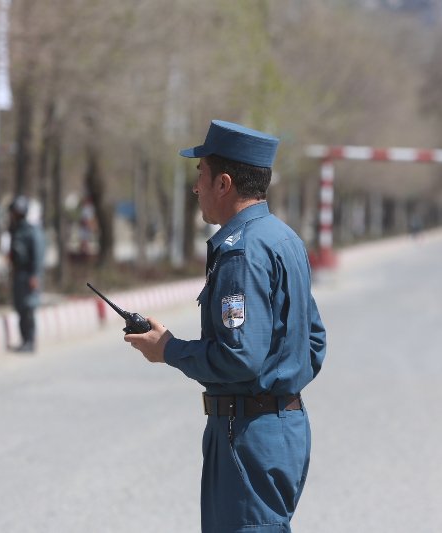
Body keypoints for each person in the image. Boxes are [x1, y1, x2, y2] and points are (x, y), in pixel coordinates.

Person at [124, 120, 327, 532]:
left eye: (201, 174)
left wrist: (168, 349)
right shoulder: (284, 239)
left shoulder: (243, 252)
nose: (195, 187)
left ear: (224, 183)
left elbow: (240, 357)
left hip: (248, 435)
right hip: (281, 429)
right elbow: (314, 342)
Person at [8, 195, 45, 353]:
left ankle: (30, 341)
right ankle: (24, 340)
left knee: (28, 308)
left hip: (29, 275)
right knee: (20, 308)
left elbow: (38, 255)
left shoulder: (31, 231)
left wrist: (35, 275)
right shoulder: (15, 230)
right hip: (19, 274)